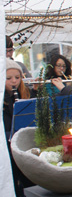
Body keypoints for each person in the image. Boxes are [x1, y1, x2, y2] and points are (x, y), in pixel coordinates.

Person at [3, 59, 35, 196]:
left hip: (25, 145)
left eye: (17, 77)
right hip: (7, 146)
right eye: (8, 78)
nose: (14, 81)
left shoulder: (26, 94)